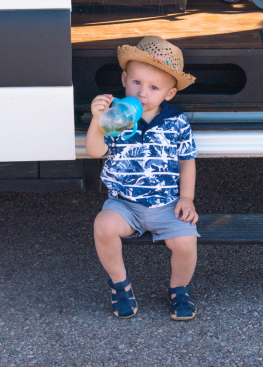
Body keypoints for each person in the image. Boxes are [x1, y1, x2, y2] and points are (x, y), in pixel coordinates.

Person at [86, 35, 200, 320]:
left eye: (153, 87)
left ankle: (179, 289)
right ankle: (120, 284)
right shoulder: (117, 118)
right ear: (124, 80)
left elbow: (187, 162)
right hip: (125, 204)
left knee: (186, 242)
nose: (142, 93)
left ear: (169, 94)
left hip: (166, 203)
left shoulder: (177, 122)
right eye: (136, 83)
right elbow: (94, 151)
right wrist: (97, 120)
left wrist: (187, 198)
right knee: (103, 225)